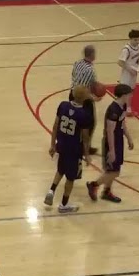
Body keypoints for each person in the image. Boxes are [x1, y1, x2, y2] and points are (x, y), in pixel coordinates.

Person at [45, 85, 93, 214]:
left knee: (61, 170)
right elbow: (85, 137)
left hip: (61, 145)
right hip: (74, 149)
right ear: (84, 98)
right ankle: (63, 205)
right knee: (70, 178)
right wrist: (87, 154)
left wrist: (52, 145)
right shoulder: (84, 114)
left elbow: (55, 126)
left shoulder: (63, 105)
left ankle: (51, 190)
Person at [87, 84, 134, 203]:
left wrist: (128, 138)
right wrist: (112, 151)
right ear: (123, 95)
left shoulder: (122, 106)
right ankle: (94, 185)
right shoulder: (113, 110)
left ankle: (106, 191)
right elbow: (110, 131)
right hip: (111, 141)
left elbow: (122, 123)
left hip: (118, 140)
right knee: (114, 172)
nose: (131, 96)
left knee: (112, 170)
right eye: (129, 94)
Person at [69, 44, 98, 154]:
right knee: (90, 123)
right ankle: (85, 148)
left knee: (74, 121)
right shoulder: (90, 70)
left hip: (72, 93)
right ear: (92, 55)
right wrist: (93, 98)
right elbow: (84, 89)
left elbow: (73, 77)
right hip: (82, 98)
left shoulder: (77, 63)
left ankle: (72, 144)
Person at [116, 29, 139, 113]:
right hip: (127, 73)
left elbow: (136, 59)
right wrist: (130, 70)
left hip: (134, 72)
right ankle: (121, 109)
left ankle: (128, 109)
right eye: (135, 39)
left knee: (131, 91)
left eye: (138, 39)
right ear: (130, 39)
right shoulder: (126, 49)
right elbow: (120, 62)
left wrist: (137, 68)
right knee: (124, 92)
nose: (137, 41)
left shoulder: (138, 47)